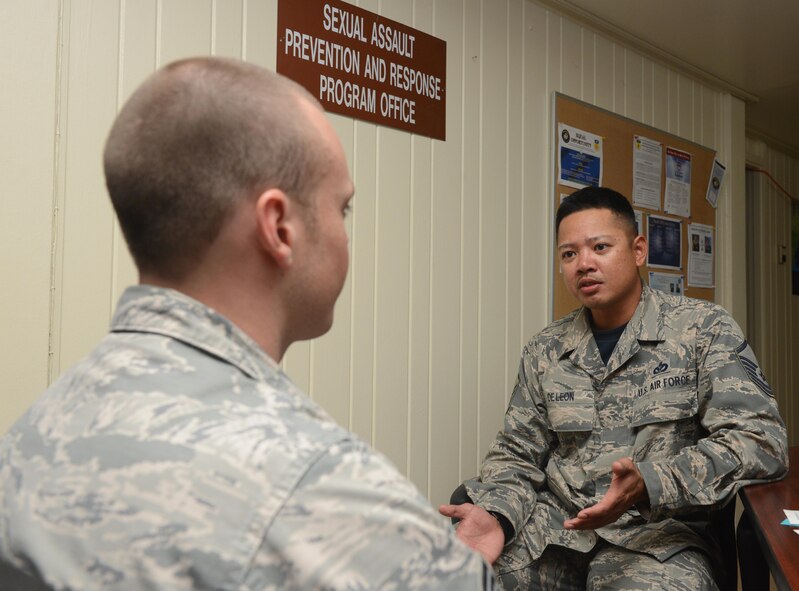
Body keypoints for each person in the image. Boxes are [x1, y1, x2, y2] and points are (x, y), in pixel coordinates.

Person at [0, 57, 495, 590]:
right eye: (342, 209)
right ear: (279, 227)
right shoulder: (323, 486)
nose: (346, 235)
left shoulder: (31, 435)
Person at [440, 186, 788, 590]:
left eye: (600, 247)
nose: (583, 264)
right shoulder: (545, 349)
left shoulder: (702, 330)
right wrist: (496, 515)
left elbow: (760, 441)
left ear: (638, 250)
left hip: (658, 538)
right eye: (569, 254)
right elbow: (516, 453)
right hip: (557, 531)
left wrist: (651, 481)